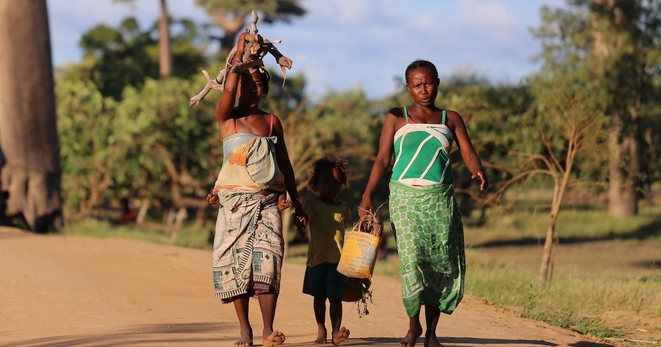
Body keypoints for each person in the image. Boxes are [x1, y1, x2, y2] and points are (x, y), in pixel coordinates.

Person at [359, 60, 488, 347]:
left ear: (437, 82)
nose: (424, 90)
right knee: (413, 260)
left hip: (440, 200)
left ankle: (431, 333)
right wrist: (368, 194)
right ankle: (413, 325)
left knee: (437, 264)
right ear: (408, 88)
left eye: (428, 83)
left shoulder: (450, 118)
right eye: (417, 85)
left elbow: (468, 152)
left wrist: (476, 168)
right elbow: (382, 159)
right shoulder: (397, 117)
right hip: (404, 198)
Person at [207, 29, 305, 347]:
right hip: (235, 205)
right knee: (238, 267)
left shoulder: (272, 122)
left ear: (264, 88)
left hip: (268, 203)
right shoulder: (227, 120)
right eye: (246, 84)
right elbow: (228, 88)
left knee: (269, 262)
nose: (251, 88)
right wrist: (239, 53)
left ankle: (267, 330)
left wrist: (297, 201)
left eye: (257, 83)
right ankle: (245, 330)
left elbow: (285, 165)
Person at [301, 156, 352, 345]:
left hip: (338, 262)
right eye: (327, 182)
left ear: (343, 184)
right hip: (316, 260)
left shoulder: (344, 209)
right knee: (319, 298)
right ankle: (321, 328)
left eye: (337, 182)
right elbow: (304, 219)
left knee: (335, 298)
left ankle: (336, 331)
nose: (332, 186)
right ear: (317, 184)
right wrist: (301, 221)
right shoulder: (311, 205)